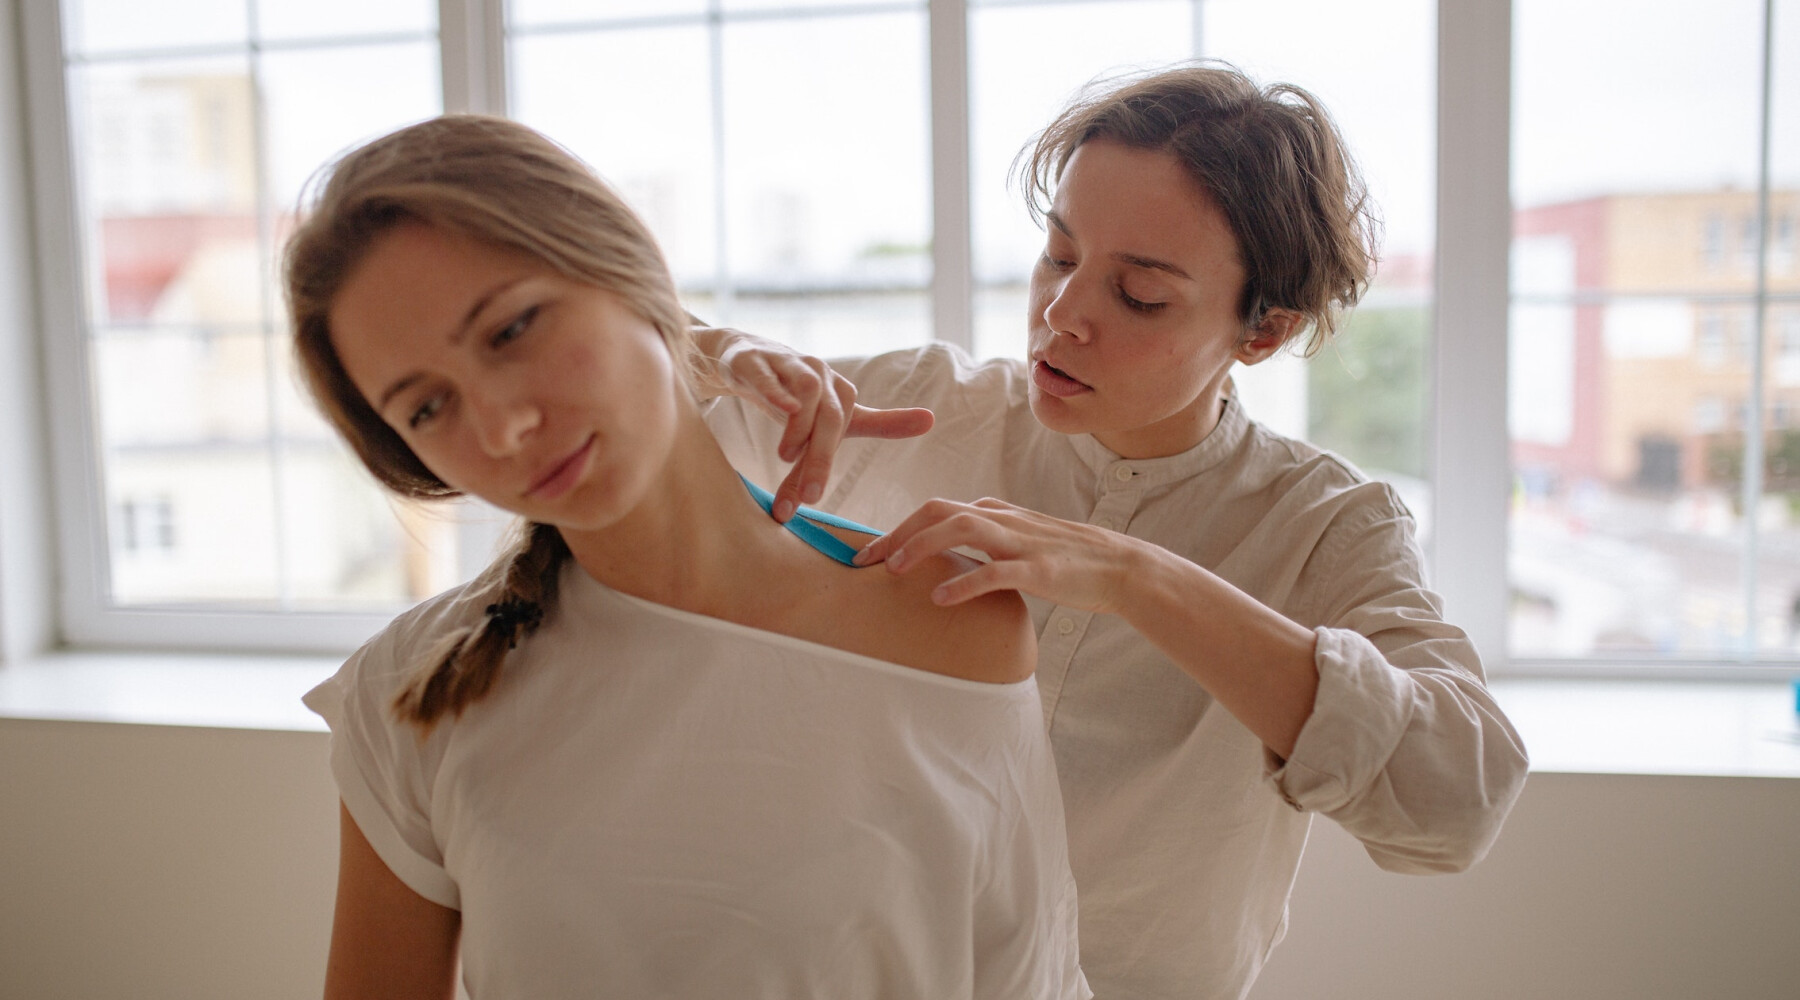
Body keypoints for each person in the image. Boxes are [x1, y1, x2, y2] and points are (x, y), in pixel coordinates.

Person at [698, 63, 1531, 999]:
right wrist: (712, 352)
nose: (1061, 315)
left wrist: (1134, 574)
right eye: (1058, 255)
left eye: (1137, 295)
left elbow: (1458, 802)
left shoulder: (1324, 527)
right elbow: (604, 397)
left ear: (1263, 332)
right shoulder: (927, 407)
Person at [287, 114, 1089, 999]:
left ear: (631, 269)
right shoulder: (412, 693)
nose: (503, 427)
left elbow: (1029, 977)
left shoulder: (945, 614)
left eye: (512, 330)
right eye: (428, 408)